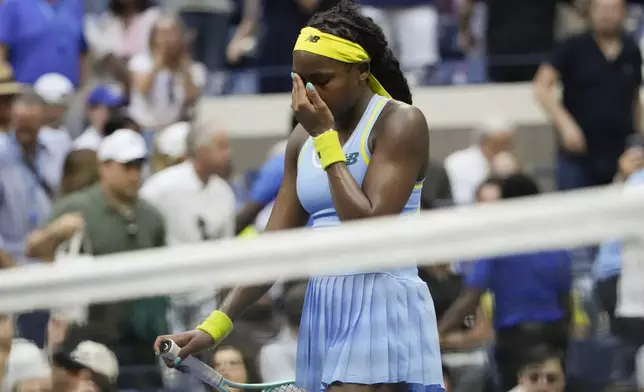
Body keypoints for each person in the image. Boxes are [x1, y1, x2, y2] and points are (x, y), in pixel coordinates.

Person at [155, 2, 445, 392]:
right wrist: (213, 328)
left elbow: (370, 228)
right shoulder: (299, 140)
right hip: (322, 303)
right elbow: (274, 250)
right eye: (299, 79)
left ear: (361, 72)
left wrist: (325, 139)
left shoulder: (400, 122)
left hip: (382, 298)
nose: (308, 94)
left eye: (321, 80)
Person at [438, 174, 572, 391]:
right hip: (553, 333)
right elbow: (566, 298)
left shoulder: (499, 240)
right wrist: (565, 339)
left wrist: (438, 332)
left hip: (516, 338)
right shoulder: (555, 241)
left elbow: (471, 296)